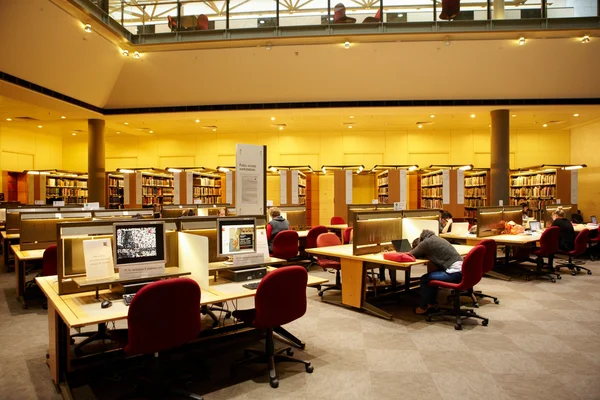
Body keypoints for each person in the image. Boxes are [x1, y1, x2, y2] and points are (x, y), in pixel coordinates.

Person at [409, 229, 463, 315]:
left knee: (425, 279)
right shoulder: (436, 238)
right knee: (432, 275)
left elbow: (411, 255)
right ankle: (432, 303)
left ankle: (423, 307)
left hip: (454, 273)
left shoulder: (426, 243)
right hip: (462, 270)